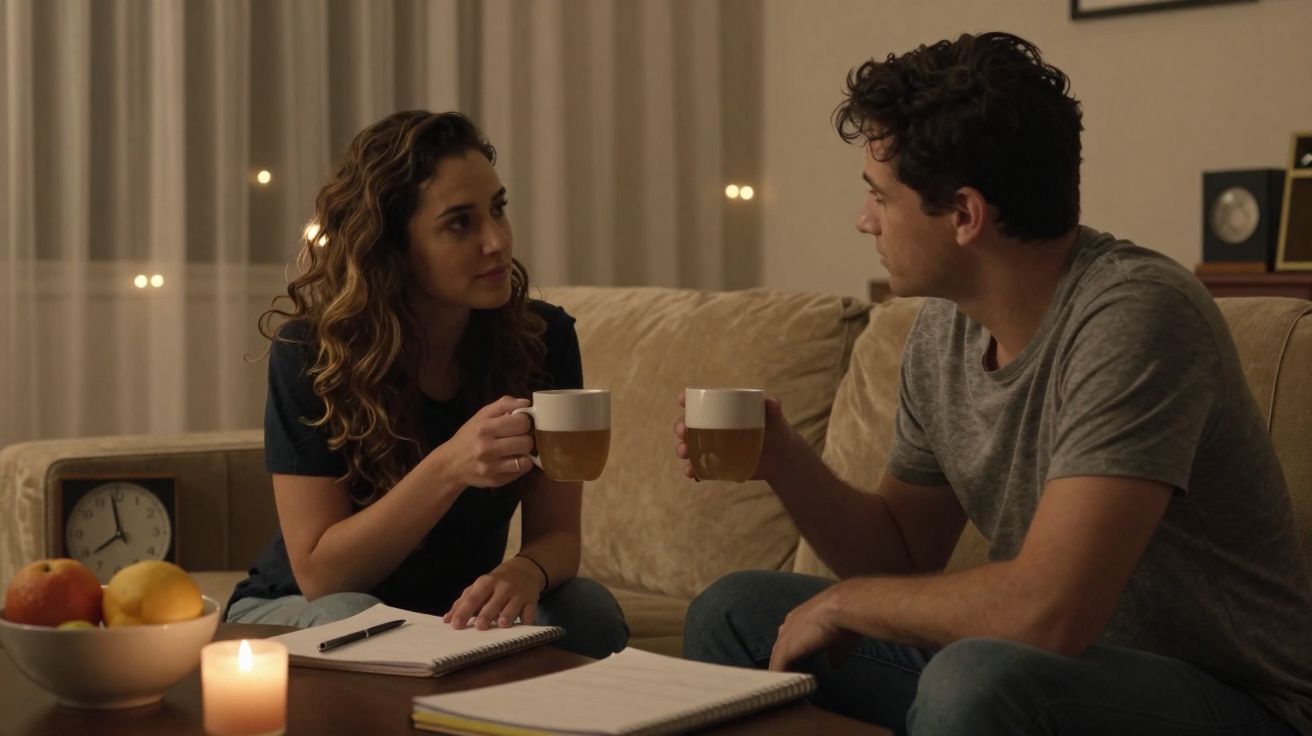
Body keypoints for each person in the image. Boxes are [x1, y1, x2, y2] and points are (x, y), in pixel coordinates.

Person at [678, 32, 1312, 735]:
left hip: (1229, 700)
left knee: (974, 676)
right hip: (1044, 675)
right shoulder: (943, 331)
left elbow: (1052, 611)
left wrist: (843, 603)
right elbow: (902, 556)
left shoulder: (1138, 316)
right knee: (733, 614)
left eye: (879, 198)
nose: (864, 220)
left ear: (965, 216)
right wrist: (783, 459)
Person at [225, 110, 628, 659]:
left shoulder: (541, 338)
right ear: (392, 246)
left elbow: (557, 534)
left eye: (498, 210)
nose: (497, 241)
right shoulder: (310, 352)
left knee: (585, 611)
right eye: (460, 223)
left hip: (450, 611)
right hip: (297, 608)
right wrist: (449, 466)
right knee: (358, 619)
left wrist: (525, 571)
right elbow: (322, 575)